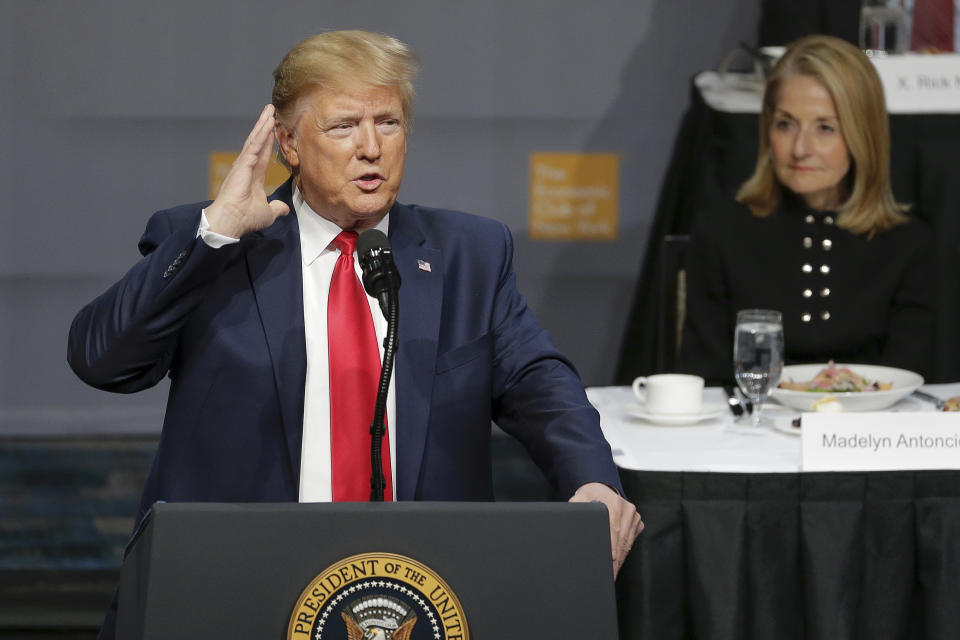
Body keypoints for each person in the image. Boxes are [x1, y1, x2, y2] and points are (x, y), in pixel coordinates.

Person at [68, 30, 642, 634]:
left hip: (414, 596)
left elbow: (538, 380)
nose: (370, 147)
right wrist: (216, 233)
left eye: (388, 122)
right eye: (343, 126)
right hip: (236, 585)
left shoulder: (468, 254)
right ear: (287, 142)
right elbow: (103, 361)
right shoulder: (215, 246)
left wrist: (593, 480)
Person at [679, 35, 936, 384]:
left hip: (865, 436)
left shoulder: (910, 245)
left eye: (825, 128)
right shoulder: (720, 232)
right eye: (786, 124)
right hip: (748, 434)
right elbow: (703, 379)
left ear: (864, 134)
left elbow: (906, 382)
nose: (801, 148)